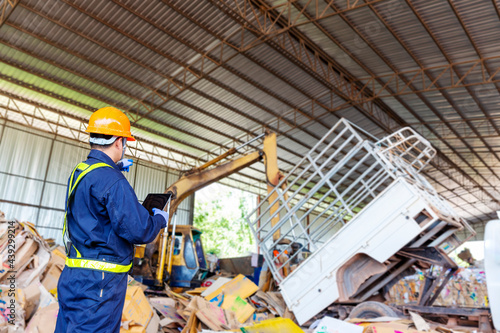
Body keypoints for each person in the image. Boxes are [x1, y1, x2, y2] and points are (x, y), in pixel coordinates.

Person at [55, 106, 169, 333]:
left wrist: (113, 168)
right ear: (119, 142)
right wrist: (159, 219)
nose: (125, 148)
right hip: (100, 285)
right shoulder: (113, 180)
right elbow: (140, 231)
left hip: (74, 276)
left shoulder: (81, 172)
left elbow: (95, 209)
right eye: (125, 142)